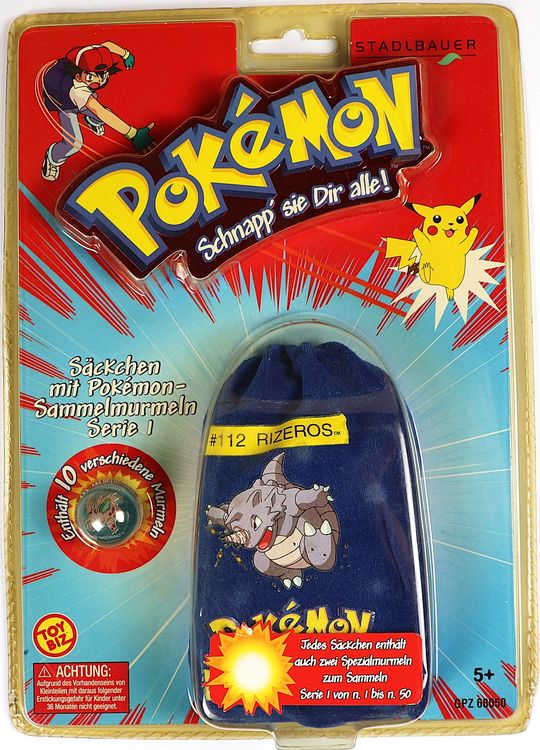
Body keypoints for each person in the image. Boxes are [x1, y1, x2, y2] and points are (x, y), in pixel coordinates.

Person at [42, 41, 154, 181]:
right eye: (92, 76)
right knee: (74, 143)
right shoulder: (77, 91)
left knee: (101, 113)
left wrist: (125, 54)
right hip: (65, 104)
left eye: (103, 75)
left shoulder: (91, 54)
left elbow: (107, 45)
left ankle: (91, 120)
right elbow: (101, 112)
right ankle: (53, 157)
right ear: (79, 76)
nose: (100, 81)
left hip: (82, 94)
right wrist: (133, 134)